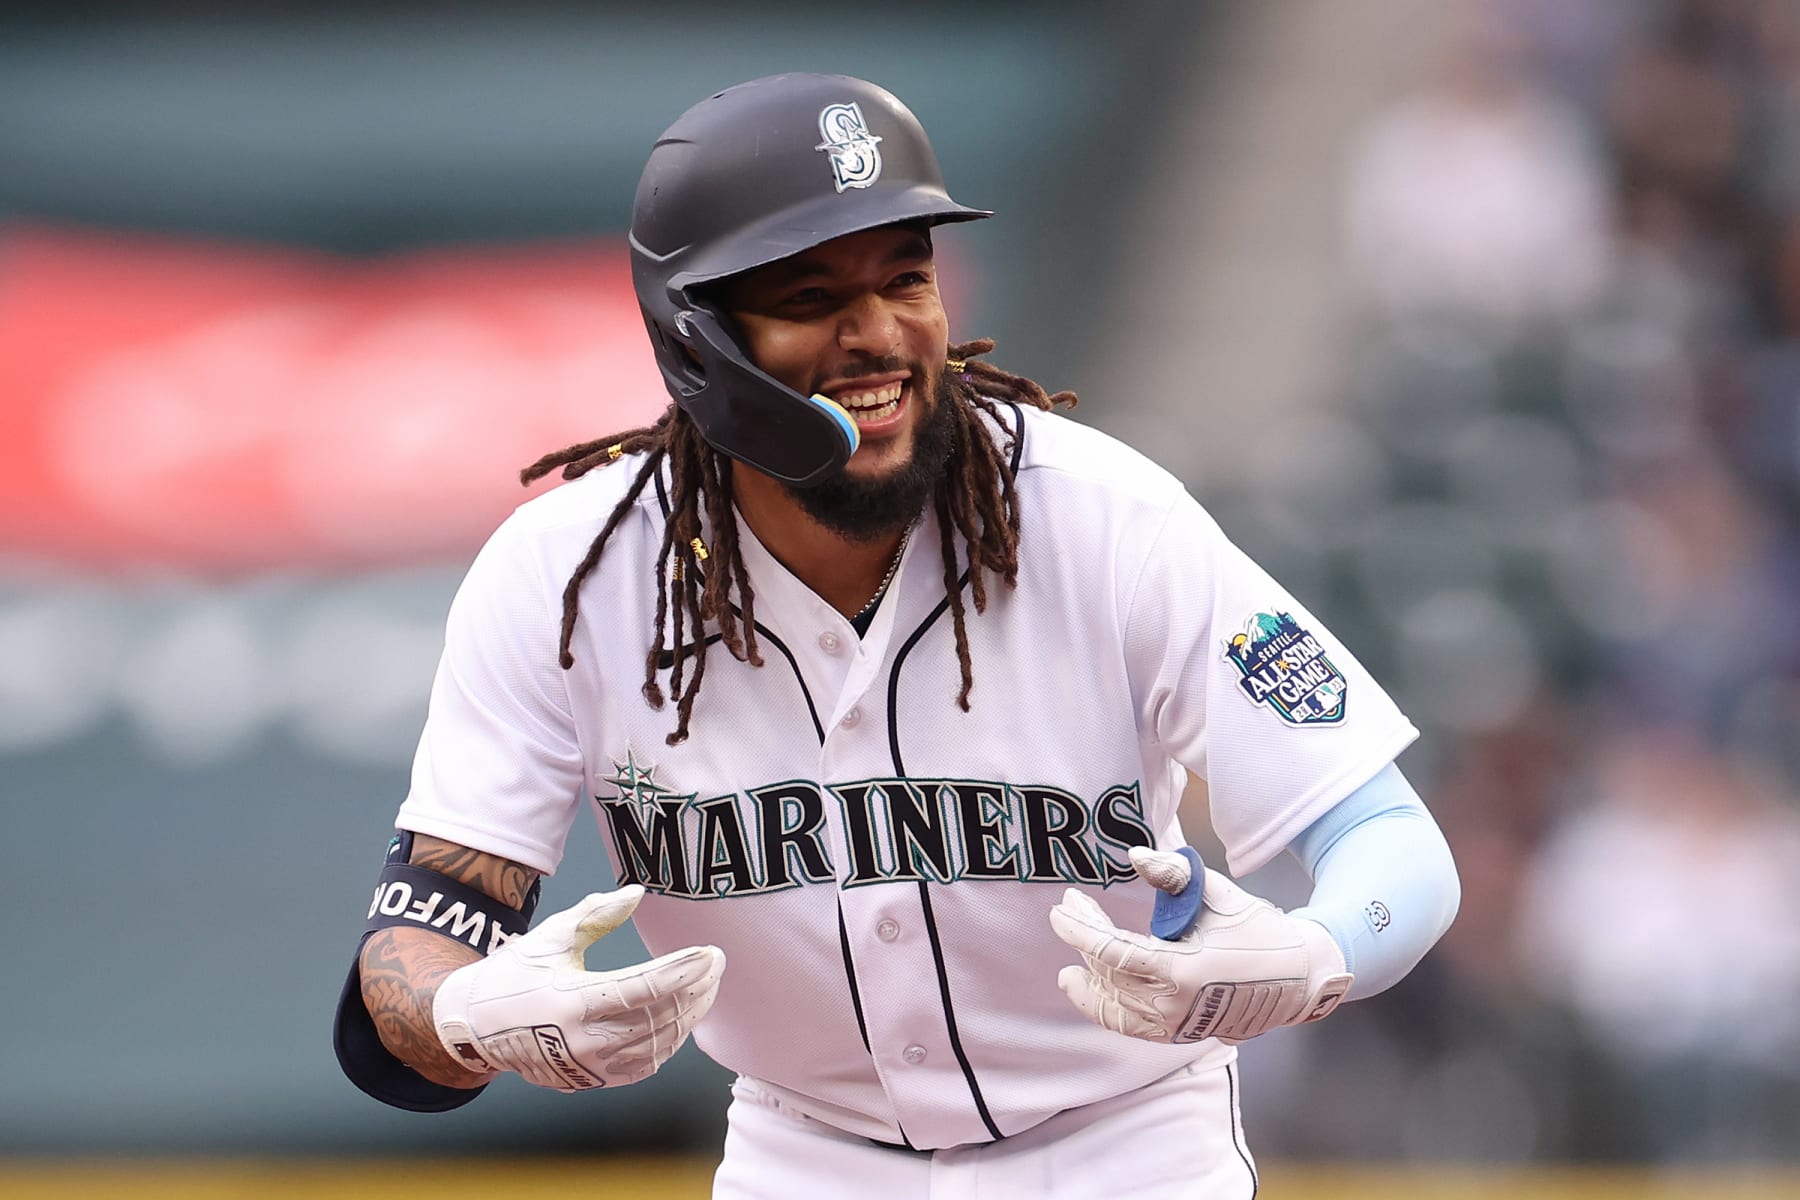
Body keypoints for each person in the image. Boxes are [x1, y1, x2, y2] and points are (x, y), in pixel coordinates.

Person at [333, 73, 1460, 1198]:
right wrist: (468, 1014)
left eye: (906, 279)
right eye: (812, 293)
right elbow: (409, 970)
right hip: (803, 1153)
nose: (876, 335)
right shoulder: (566, 578)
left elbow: (1393, 846)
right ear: (698, 344)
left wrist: (1319, 956)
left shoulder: (1105, 519)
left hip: (1130, 1148)